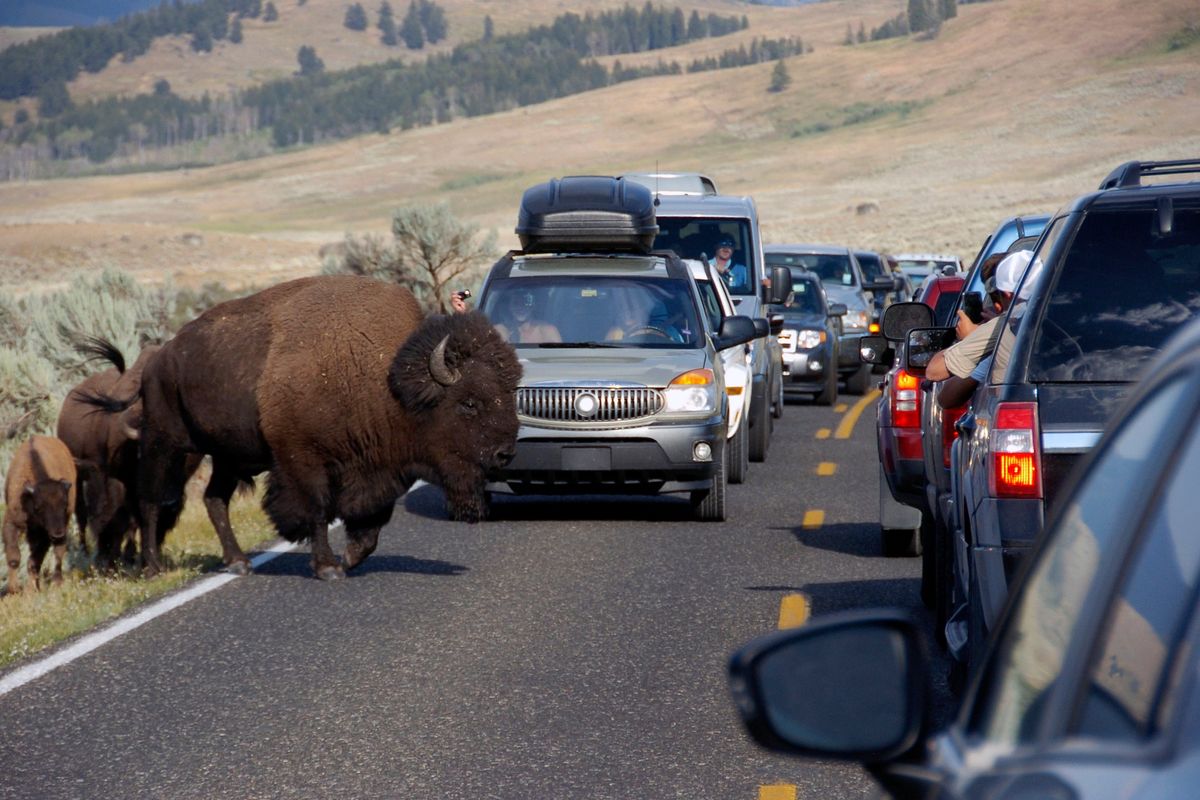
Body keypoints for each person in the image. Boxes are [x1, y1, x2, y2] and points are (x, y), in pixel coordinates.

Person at [926, 250, 1034, 382]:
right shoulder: (1056, 314)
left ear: (1006, 294)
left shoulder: (1003, 326)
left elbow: (934, 372)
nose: (997, 306)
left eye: (996, 296)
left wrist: (971, 337)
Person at [493, 289, 561, 344]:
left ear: (533, 305)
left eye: (525, 303)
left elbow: (558, 357)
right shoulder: (501, 330)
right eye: (515, 303)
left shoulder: (547, 331)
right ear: (510, 307)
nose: (520, 307)